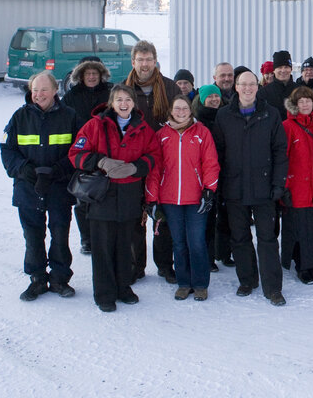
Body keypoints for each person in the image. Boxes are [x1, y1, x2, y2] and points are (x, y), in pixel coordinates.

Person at [68, 84, 157, 312]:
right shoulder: (95, 125)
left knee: (125, 245)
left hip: (129, 195)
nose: (124, 104)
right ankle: (105, 293)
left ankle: (123, 287)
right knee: (102, 247)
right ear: (111, 103)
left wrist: (136, 168)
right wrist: (100, 161)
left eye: (128, 99)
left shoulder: (143, 128)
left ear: (133, 103)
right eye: (119, 100)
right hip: (102, 195)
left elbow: (155, 155)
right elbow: (75, 154)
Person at [212, 70, 289, 306]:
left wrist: (278, 183)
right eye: (243, 84)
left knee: (267, 239)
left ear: (258, 87)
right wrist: (220, 187)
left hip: (264, 187)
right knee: (240, 238)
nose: (247, 88)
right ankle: (247, 280)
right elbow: (218, 154)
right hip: (234, 188)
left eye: (252, 84)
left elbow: (280, 151)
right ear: (236, 87)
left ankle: (273, 287)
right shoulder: (224, 115)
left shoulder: (270, 113)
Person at [1, 72, 79, 301]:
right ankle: (37, 279)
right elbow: (8, 150)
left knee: (59, 234)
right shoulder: (20, 117)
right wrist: (24, 169)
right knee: (33, 236)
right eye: (35, 90)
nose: (38, 95)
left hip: (59, 188)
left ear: (55, 90)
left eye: (44, 90)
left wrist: (57, 170)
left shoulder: (70, 116)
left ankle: (59, 279)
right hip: (28, 188)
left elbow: (78, 150)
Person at [144, 95, 219, 301]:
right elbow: (155, 169)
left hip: (196, 198)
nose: (181, 112)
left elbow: (211, 163)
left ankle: (201, 283)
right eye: (177, 108)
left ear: (190, 110)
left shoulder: (202, 132)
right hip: (169, 199)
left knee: (196, 242)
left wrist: (209, 189)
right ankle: (184, 283)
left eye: (184, 108)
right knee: (178, 243)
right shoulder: (161, 135)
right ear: (171, 111)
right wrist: (152, 198)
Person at [124, 40, 180, 283]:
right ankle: (136, 265)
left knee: (162, 215)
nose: (145, 64)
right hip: (133, 161)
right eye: (140, 60)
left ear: (155, 60)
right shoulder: (122, 91)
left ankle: (165, 265)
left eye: (149, 59)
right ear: (133, 62)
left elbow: (181, 117)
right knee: (135, 215)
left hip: (163, 159)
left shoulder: (169, 88)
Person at [61, 57, 112, 255]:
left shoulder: (110, 92)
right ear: (81, 76)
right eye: (87, 73)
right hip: (82, 152)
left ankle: (105, 237)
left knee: (106, 196)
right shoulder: (72, 96)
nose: (91, 77)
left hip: (108, 151)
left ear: (101, 75)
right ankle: (87, 238)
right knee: (83, 197)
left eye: (95, 73)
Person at [280, 86, 313, 284]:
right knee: (300, 229)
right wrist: (284, 184)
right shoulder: (287, 127)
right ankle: (302, 266)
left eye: (308, 100)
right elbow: (282, 157)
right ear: (294, 105)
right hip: (297, 187)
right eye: (300, 101)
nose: (305, 104)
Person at [191, 83, 228, 271]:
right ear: (202, 99)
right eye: (210, 97)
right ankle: (208, 256)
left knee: (226, 216)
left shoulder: (226, 115)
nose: (214, 99)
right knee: (208, 218)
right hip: (206, 175)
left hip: (226, 172)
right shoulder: (198, 120)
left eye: (216, 96)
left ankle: (224, 252)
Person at [257, 50, 296, 121]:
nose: (283, 70)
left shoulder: (300, 90)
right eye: (280, 67)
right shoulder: (263, 93)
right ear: (274, 70)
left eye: (286, 67)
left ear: (291, 69)